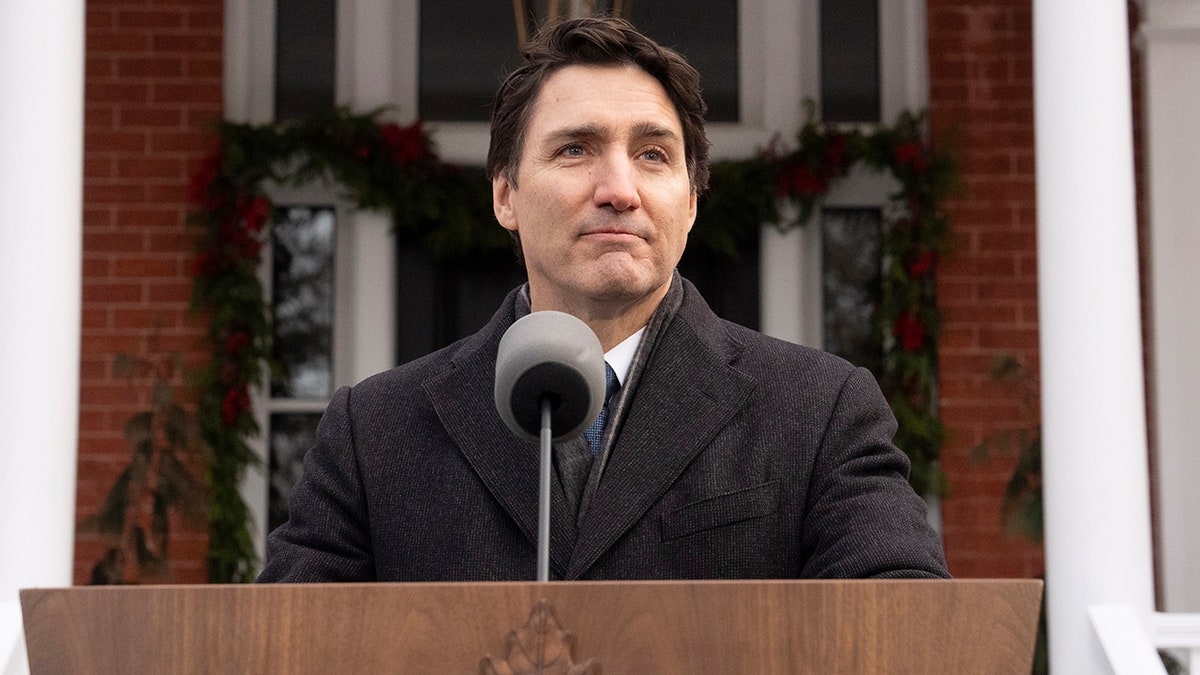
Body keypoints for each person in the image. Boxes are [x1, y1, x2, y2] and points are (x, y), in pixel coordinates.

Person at [258, 16, 949, 583]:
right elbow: (278, 649)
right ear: (505, 194)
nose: (620, 188)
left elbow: (910, 636)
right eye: (575, 150)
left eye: (653, 155)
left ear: (691, 200)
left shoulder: (822, 412)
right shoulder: (374, 433)